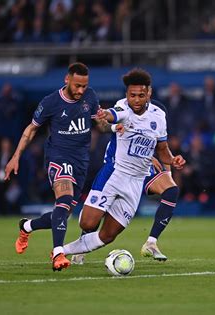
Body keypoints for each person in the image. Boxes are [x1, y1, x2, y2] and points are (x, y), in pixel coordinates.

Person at [4, 62, 121, 271]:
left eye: (84, 86)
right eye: (77, 85)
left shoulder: (90, 97)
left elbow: (99, 124)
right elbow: (31, 130)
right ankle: (58, 253)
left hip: (80, 162)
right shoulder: (50, 102)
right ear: (67, 79)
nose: (80, 91)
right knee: (64, 201)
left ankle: (27, 226)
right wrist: (15, 157)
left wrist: (112, 126)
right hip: (58, 157)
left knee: (63, 214)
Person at [61, 68, 185, 260]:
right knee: (87, 223)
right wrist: (104, 115)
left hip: (136, 181)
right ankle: (72, 245)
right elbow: (112, 115)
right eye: (132, 95)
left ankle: (62, 252)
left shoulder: (159, 116)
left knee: (109, 235)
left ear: (149, 93)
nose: (136, 99)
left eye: (140, 95)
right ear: (126, 94)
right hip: (115, 173)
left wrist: (173, 159)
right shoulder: (123, 108)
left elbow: (162, 149)